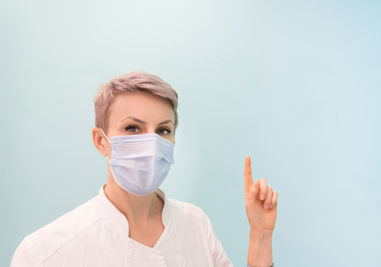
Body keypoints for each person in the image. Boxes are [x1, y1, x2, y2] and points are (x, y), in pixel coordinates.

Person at [10, 71, 278, 267]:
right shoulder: (45, 252)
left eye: (163, 130)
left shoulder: (195, 224)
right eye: (132, 128)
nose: (151, 144)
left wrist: (261, 237)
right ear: (101, 141)